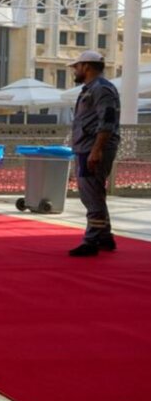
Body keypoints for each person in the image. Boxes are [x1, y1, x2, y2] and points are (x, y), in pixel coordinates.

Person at [66, 50, 121, 256]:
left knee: (91, 195)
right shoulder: (91, 89)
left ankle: (92, 240)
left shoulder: (101, 89)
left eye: (77, 67)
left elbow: (107, 121)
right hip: (87, 147)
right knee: (94, 192)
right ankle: (104, 236)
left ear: (86, 66)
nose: (75, 70)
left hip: (92, 148)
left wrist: (96, 150)